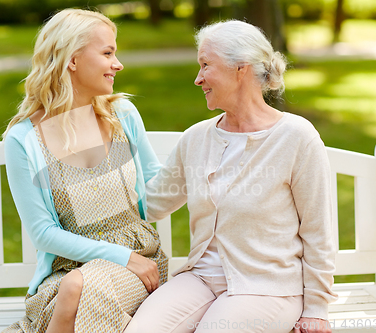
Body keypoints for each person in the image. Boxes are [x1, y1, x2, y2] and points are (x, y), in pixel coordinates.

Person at [124, 20, 337, 333]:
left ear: (242, 68)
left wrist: (317, 308)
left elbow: (318, 230)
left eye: (206, 65)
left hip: (268, 286)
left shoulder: (296, 137)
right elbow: (149, 204)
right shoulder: (196, 139)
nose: (198, 79)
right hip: (200, 278)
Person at [1, 9, 168, 333]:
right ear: (72, 60)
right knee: (76, 289)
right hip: (66, 274)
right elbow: (44, 234)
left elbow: (157, 183)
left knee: (80, 291)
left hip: (139, 264)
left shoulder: (122, 115)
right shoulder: (24, 140)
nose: (117, 64)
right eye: (107, 53)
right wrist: (120, 256)